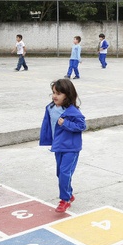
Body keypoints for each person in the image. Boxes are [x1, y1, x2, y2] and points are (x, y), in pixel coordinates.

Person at [40, 79, 87, 213]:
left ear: (67, 95)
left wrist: (66, 123)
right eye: (54, 92)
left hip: (71, 148)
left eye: (59, 93)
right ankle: (69, 193)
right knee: (60, 174)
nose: (55, 96)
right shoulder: (50, 108)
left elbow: (82, 126)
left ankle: (65, 200)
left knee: (65, 174)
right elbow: (48, 124)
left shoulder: (72, 111)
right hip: (58, 146)